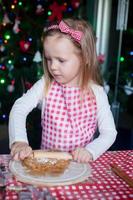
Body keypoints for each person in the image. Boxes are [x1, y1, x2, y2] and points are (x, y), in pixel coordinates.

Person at [9, 18, 117, 163]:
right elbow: (19, 108)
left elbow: (109, 132)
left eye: (61, 60)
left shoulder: (96, 93)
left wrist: (91, 151)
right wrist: (19, 141)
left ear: (84, 58)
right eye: (48, 59)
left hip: (80, 168)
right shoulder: (46, 84)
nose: (52, 66)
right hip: (47, 165)